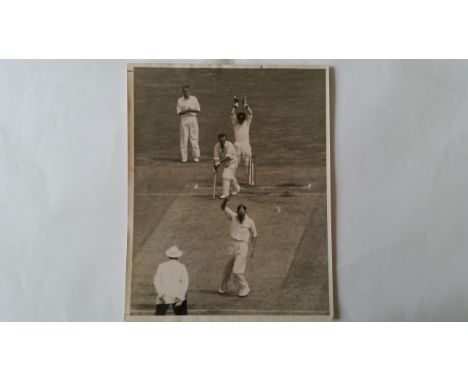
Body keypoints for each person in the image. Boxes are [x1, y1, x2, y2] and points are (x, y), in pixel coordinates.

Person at [218, 195, 258, 297]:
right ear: (237, 213)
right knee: (227, 268)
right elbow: (222, 207)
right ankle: (223, 287)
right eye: (240, 215)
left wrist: (253, 249)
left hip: (243, 246)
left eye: (243, 215)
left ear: (245, 213)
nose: (241, 216)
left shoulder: (250, 221)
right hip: (233, 246)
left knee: (237, 271)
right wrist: (225, 200)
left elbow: (254, 235)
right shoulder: (233, 216)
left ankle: (245, 288)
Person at [153, 246, 189, 315]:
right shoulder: (182, 267)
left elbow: (156, 281)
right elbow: (185, 283)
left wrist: (161, 294)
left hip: (164, 295)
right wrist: (180, 296)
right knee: (182, 319)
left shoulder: (161, 266)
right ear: (178, 257)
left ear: (168, 256)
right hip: (177, 295)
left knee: (158, 319)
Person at [231, 96, 253, 182]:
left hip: (246, 145)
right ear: (237, 118)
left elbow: (250, 113)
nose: (240, 121)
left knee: (249, 163)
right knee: (234, 163)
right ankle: (232, 179)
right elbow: (232, 113)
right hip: (237, 145)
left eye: (241, 119)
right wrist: (235, 105)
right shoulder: (235, 122)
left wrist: (246, 106)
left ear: (244, 119)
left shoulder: (247, 122)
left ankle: (251, 180)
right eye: (239, 119)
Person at [176, 85, 201, 163]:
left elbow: (198, 110)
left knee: (194, 138)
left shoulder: (194, 98)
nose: (186, 93)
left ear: (189, 91)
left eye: (187, 91)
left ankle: (196, 157)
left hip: (193, 119)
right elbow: (179, 112)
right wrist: (186, 110)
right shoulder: (180, 100)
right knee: (184, 139)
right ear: (182, 92)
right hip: (184, 120)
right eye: (184, 91)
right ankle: (184, 158)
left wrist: (191, 110)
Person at [213, 133, 241, 199]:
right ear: (219, 140)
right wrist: (215, 167)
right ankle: (238, 188)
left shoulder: (229, 145)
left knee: (225, 176)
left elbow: (228, 158)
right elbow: (216, 158)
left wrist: (219, 163)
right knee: (230, 177)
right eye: (221, 140)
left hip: (233, 162)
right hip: (225, 163)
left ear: (225, 140)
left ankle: (225, 194)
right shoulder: (216, 146)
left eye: (223, 140)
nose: (222, 142)